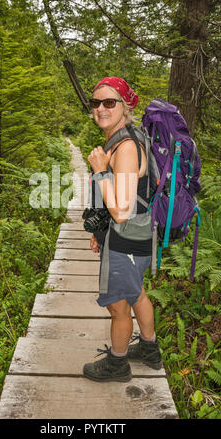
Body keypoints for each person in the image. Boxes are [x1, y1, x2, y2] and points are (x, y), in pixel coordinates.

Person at [83, 76, 162, 383]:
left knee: (118, 308)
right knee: (137, 293)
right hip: (138, 237)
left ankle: (117, 366)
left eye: (109, 102)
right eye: (96, 103)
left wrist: (101, 169)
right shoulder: (128, 136)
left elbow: (121, 210)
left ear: (126, 106)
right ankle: (149, 348)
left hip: (126, 241)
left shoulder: (126, 146)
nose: (101, 108)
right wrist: (98, 231)